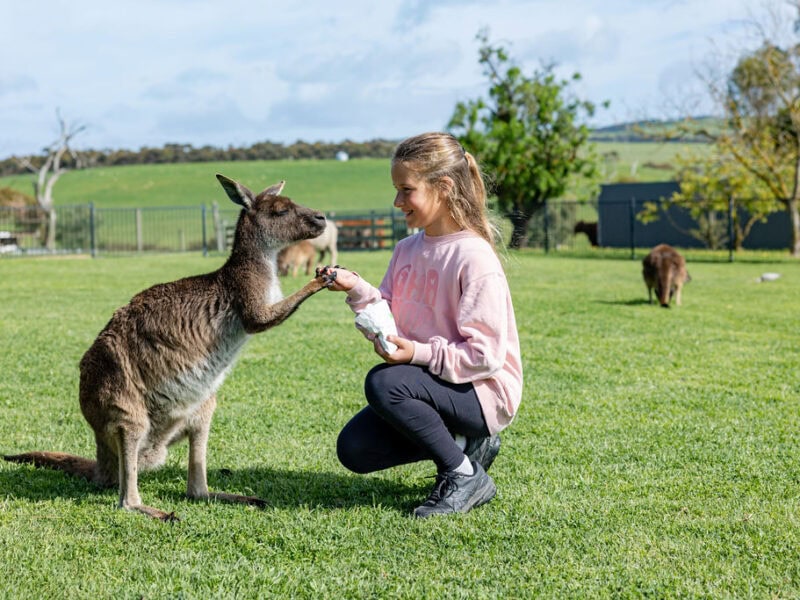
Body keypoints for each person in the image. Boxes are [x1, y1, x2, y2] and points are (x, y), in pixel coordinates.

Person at [320, 132, 523, 518]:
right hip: (433, 382)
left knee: (384, 382)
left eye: (405, 190)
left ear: (443, 188)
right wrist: (358, 289)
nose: (397, 202)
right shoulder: (406, 250)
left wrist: (417, 353)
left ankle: (464, 475)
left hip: (483, 391)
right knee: (355, 449)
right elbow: (390, 315)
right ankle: (466, 444)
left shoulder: (474, 257)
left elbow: (486, 356)